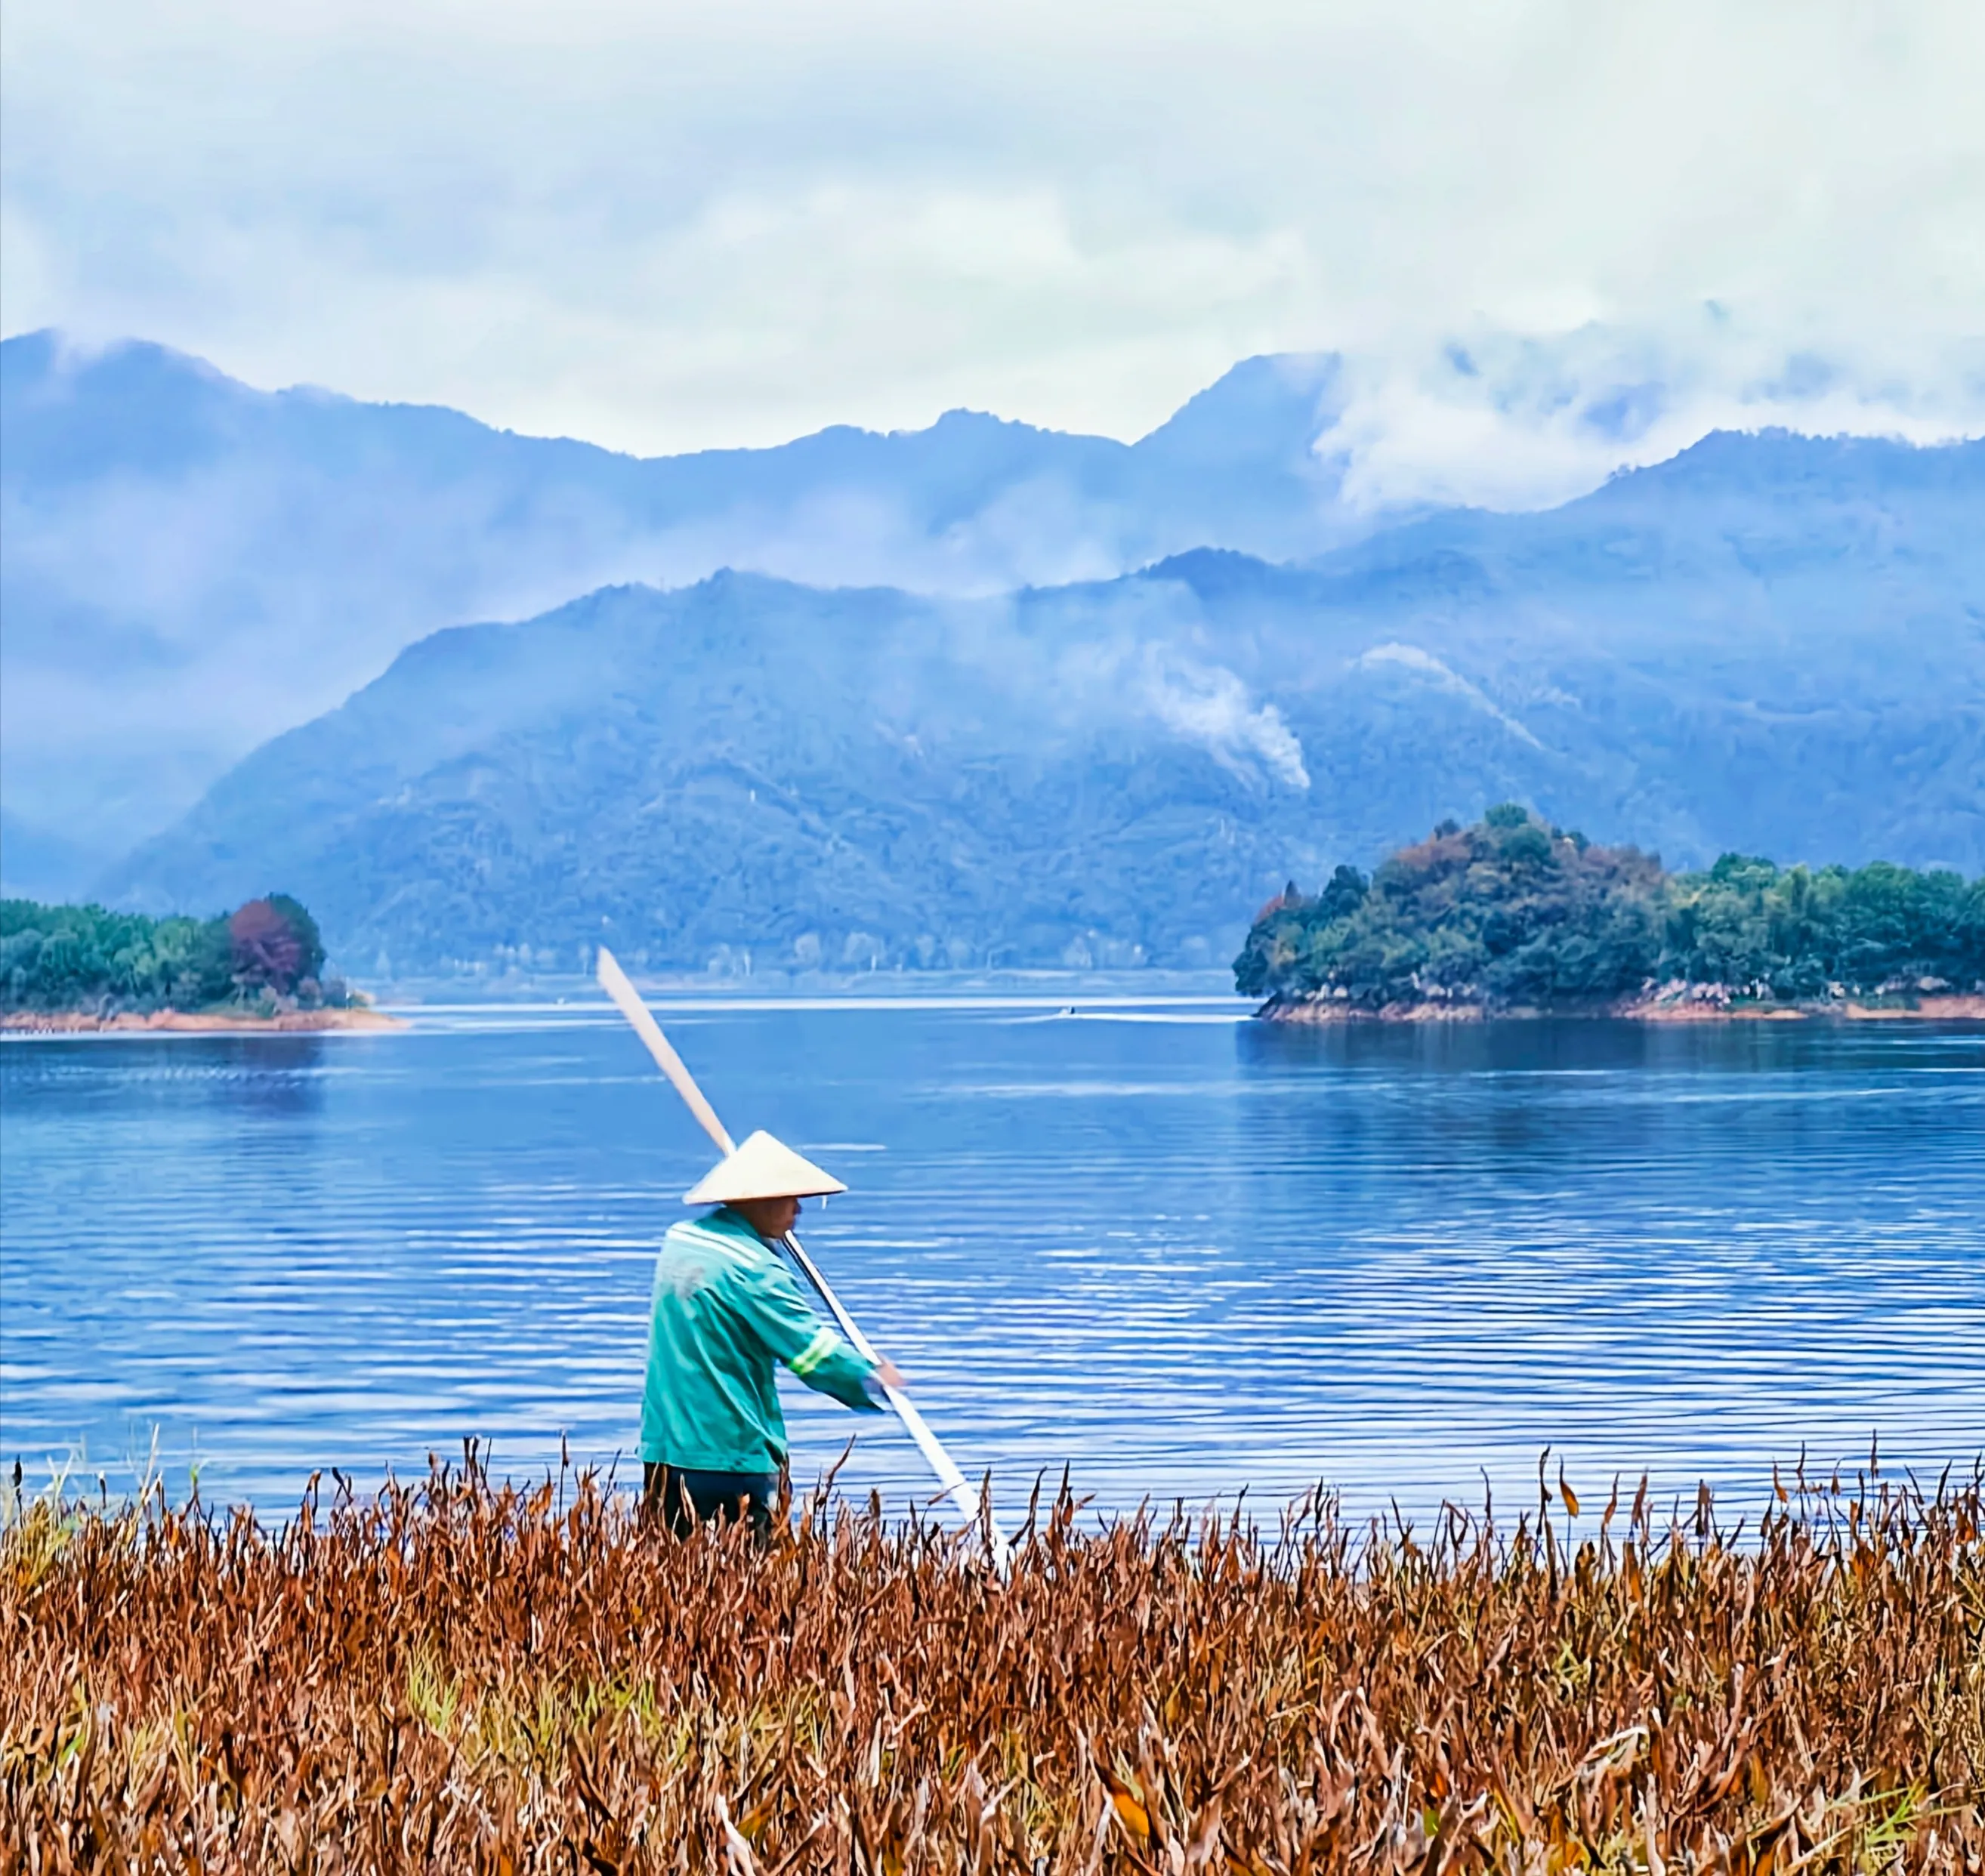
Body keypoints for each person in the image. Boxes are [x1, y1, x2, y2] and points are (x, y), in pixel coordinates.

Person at [639, 1129, 903, 1538]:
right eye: (789, 1199)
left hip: (664, 1451)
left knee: (668, 1577)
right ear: (757, 1201)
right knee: (755, 1583)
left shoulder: (682, 1241)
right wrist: (869, 1375)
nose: (799, 1210)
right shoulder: (758, 1272)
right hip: (732, 1454)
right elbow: (811, 1354)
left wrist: (767, 1242)